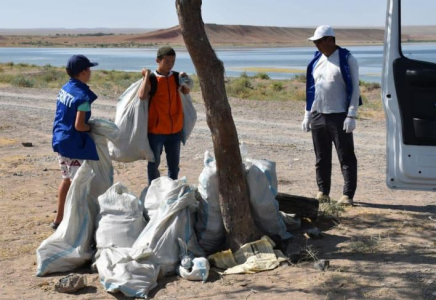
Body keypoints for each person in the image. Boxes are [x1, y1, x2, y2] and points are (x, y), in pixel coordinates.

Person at [301, 25, 361, 206]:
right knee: (321, 157)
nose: (316, 45)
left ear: (329, 40)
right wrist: (307, 114)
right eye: (315, 42)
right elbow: (311, 90)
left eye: (319, 41)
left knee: (346, 157)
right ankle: (323, 192)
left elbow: (355, 89)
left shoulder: (347, 59)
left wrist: (351, 115)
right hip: (319, 115)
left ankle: (347, 195)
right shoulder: (316, 60)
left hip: (339, 116)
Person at [51, 54, 99, 229]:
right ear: (84, 71)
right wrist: (91, 128)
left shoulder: (66, 88)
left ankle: (58, 219)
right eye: (89, 69)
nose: (90, 72)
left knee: (66, 180)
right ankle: (76, 223)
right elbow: (80, 125)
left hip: (61, 140)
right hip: (73, 144)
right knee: (79, 184)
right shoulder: (83, 97)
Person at [138, 46, 192, 185]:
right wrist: (145, 76)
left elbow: (186, 92)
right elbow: (142, 96)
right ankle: (153, 191)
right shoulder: (152, 79)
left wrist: (185, 79)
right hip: (156, 131)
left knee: (174, 166)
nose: (170, 64)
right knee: (154, 163)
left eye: (173, 61)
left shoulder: (175, 77)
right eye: (167, 61)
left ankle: (172, 191)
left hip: (175, 130)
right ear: (158, 60)